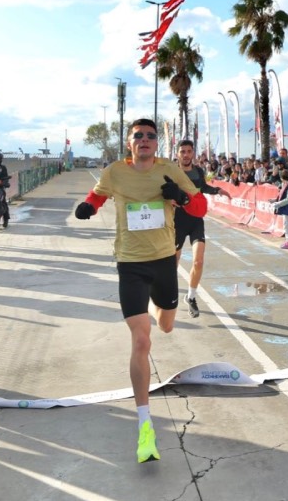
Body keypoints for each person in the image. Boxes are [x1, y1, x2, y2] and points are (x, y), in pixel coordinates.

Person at [73, 119, 208, 463]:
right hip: (130, 264)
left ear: (156, 143)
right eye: (138, 136)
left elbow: (200, 207)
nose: (145, 140)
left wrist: (178, 196)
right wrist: (90, 205)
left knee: (165, 326)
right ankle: (145, 424)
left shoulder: (170, 170)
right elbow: (99, 193)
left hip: (164, 260)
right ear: (129, 143)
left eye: (150, 136)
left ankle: (158, 314)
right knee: (141, 340)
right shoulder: (116, 171)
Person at [173, 139, 231, 318]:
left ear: (193, 153)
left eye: (189, 151)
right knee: (172, 263)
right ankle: (168, 294)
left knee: (198, 261)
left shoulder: (198, 171)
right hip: (177, 222)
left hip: (196, 220)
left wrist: (217, 190)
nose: (186, 154)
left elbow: (203, 187)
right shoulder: (172, 172)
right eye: (182, 151)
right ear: (178, 154)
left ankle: (191, 297)